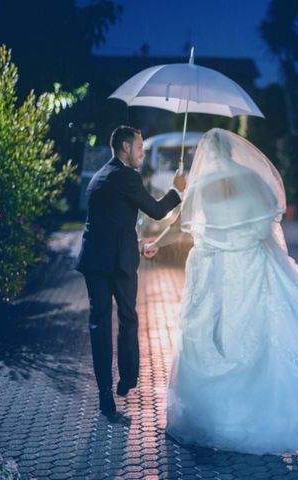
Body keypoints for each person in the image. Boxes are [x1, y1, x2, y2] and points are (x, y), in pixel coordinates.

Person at [145, 128, 298, 454]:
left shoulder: (201, 186)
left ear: (204, 156)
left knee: (213, 337)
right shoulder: (251, 178)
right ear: (233, 151)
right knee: (260, 335)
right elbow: (269, 219)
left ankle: (217, 415)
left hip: (215, 272)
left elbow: (180, 226)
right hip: (250, 267)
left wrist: (155, 240)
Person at [75, 125, 186, 416]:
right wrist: (178, 190)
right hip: (118, 265)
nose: (142, 152)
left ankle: (105, 395)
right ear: (125, 147)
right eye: (139, 147)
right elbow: (158, 211)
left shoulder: (100, 176)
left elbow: (109, 222)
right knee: (127, 319)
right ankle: (127, 378)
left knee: (99, 325)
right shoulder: (127, 176)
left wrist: (134, 241)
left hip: (94, 261)